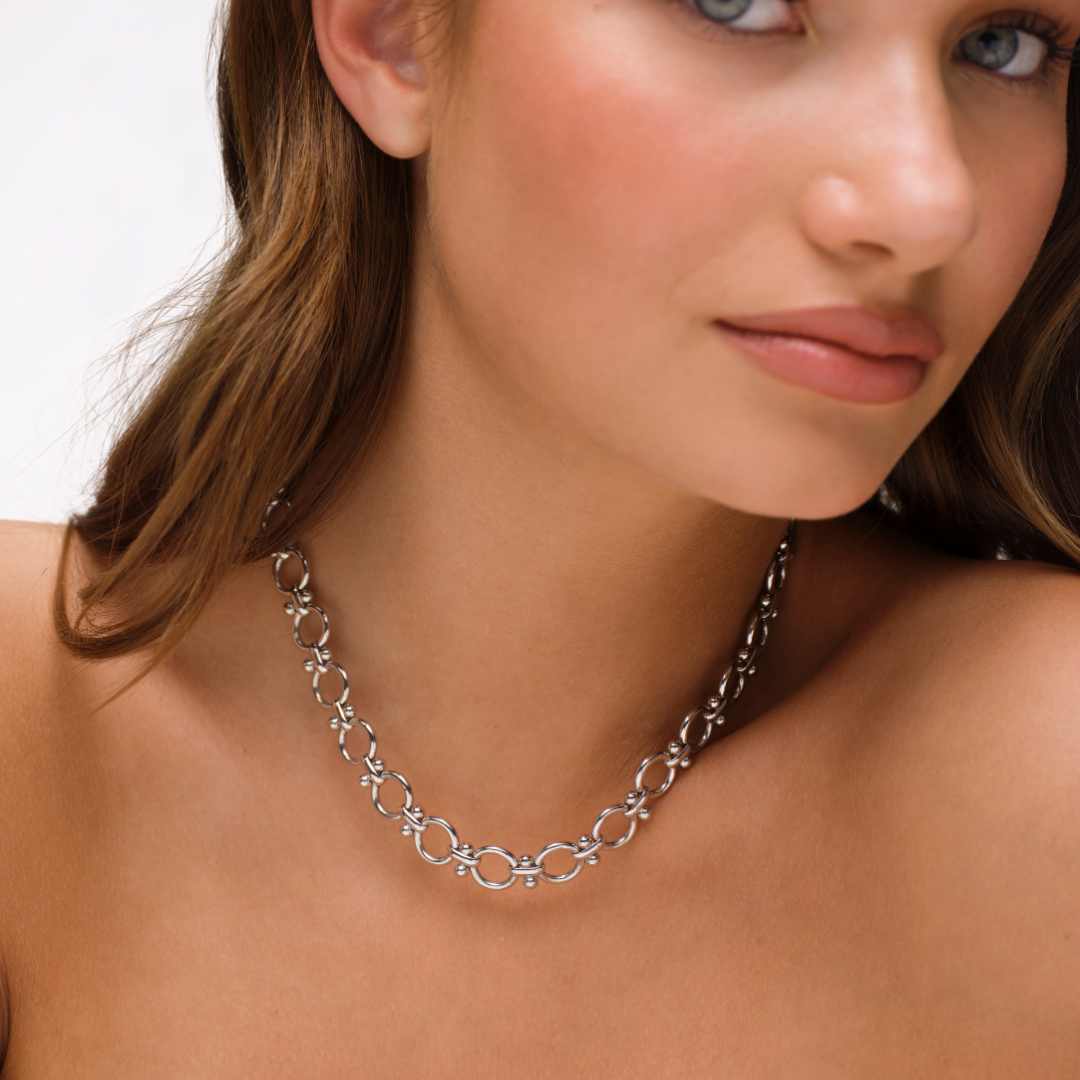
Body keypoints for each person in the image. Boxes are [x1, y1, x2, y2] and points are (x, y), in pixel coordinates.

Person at [2, 0, 1079, 1073]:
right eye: (739, 6)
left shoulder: (1041, 776)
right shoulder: (31, 746)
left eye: (1003, 46)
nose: (929, 203)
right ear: (391, 32)